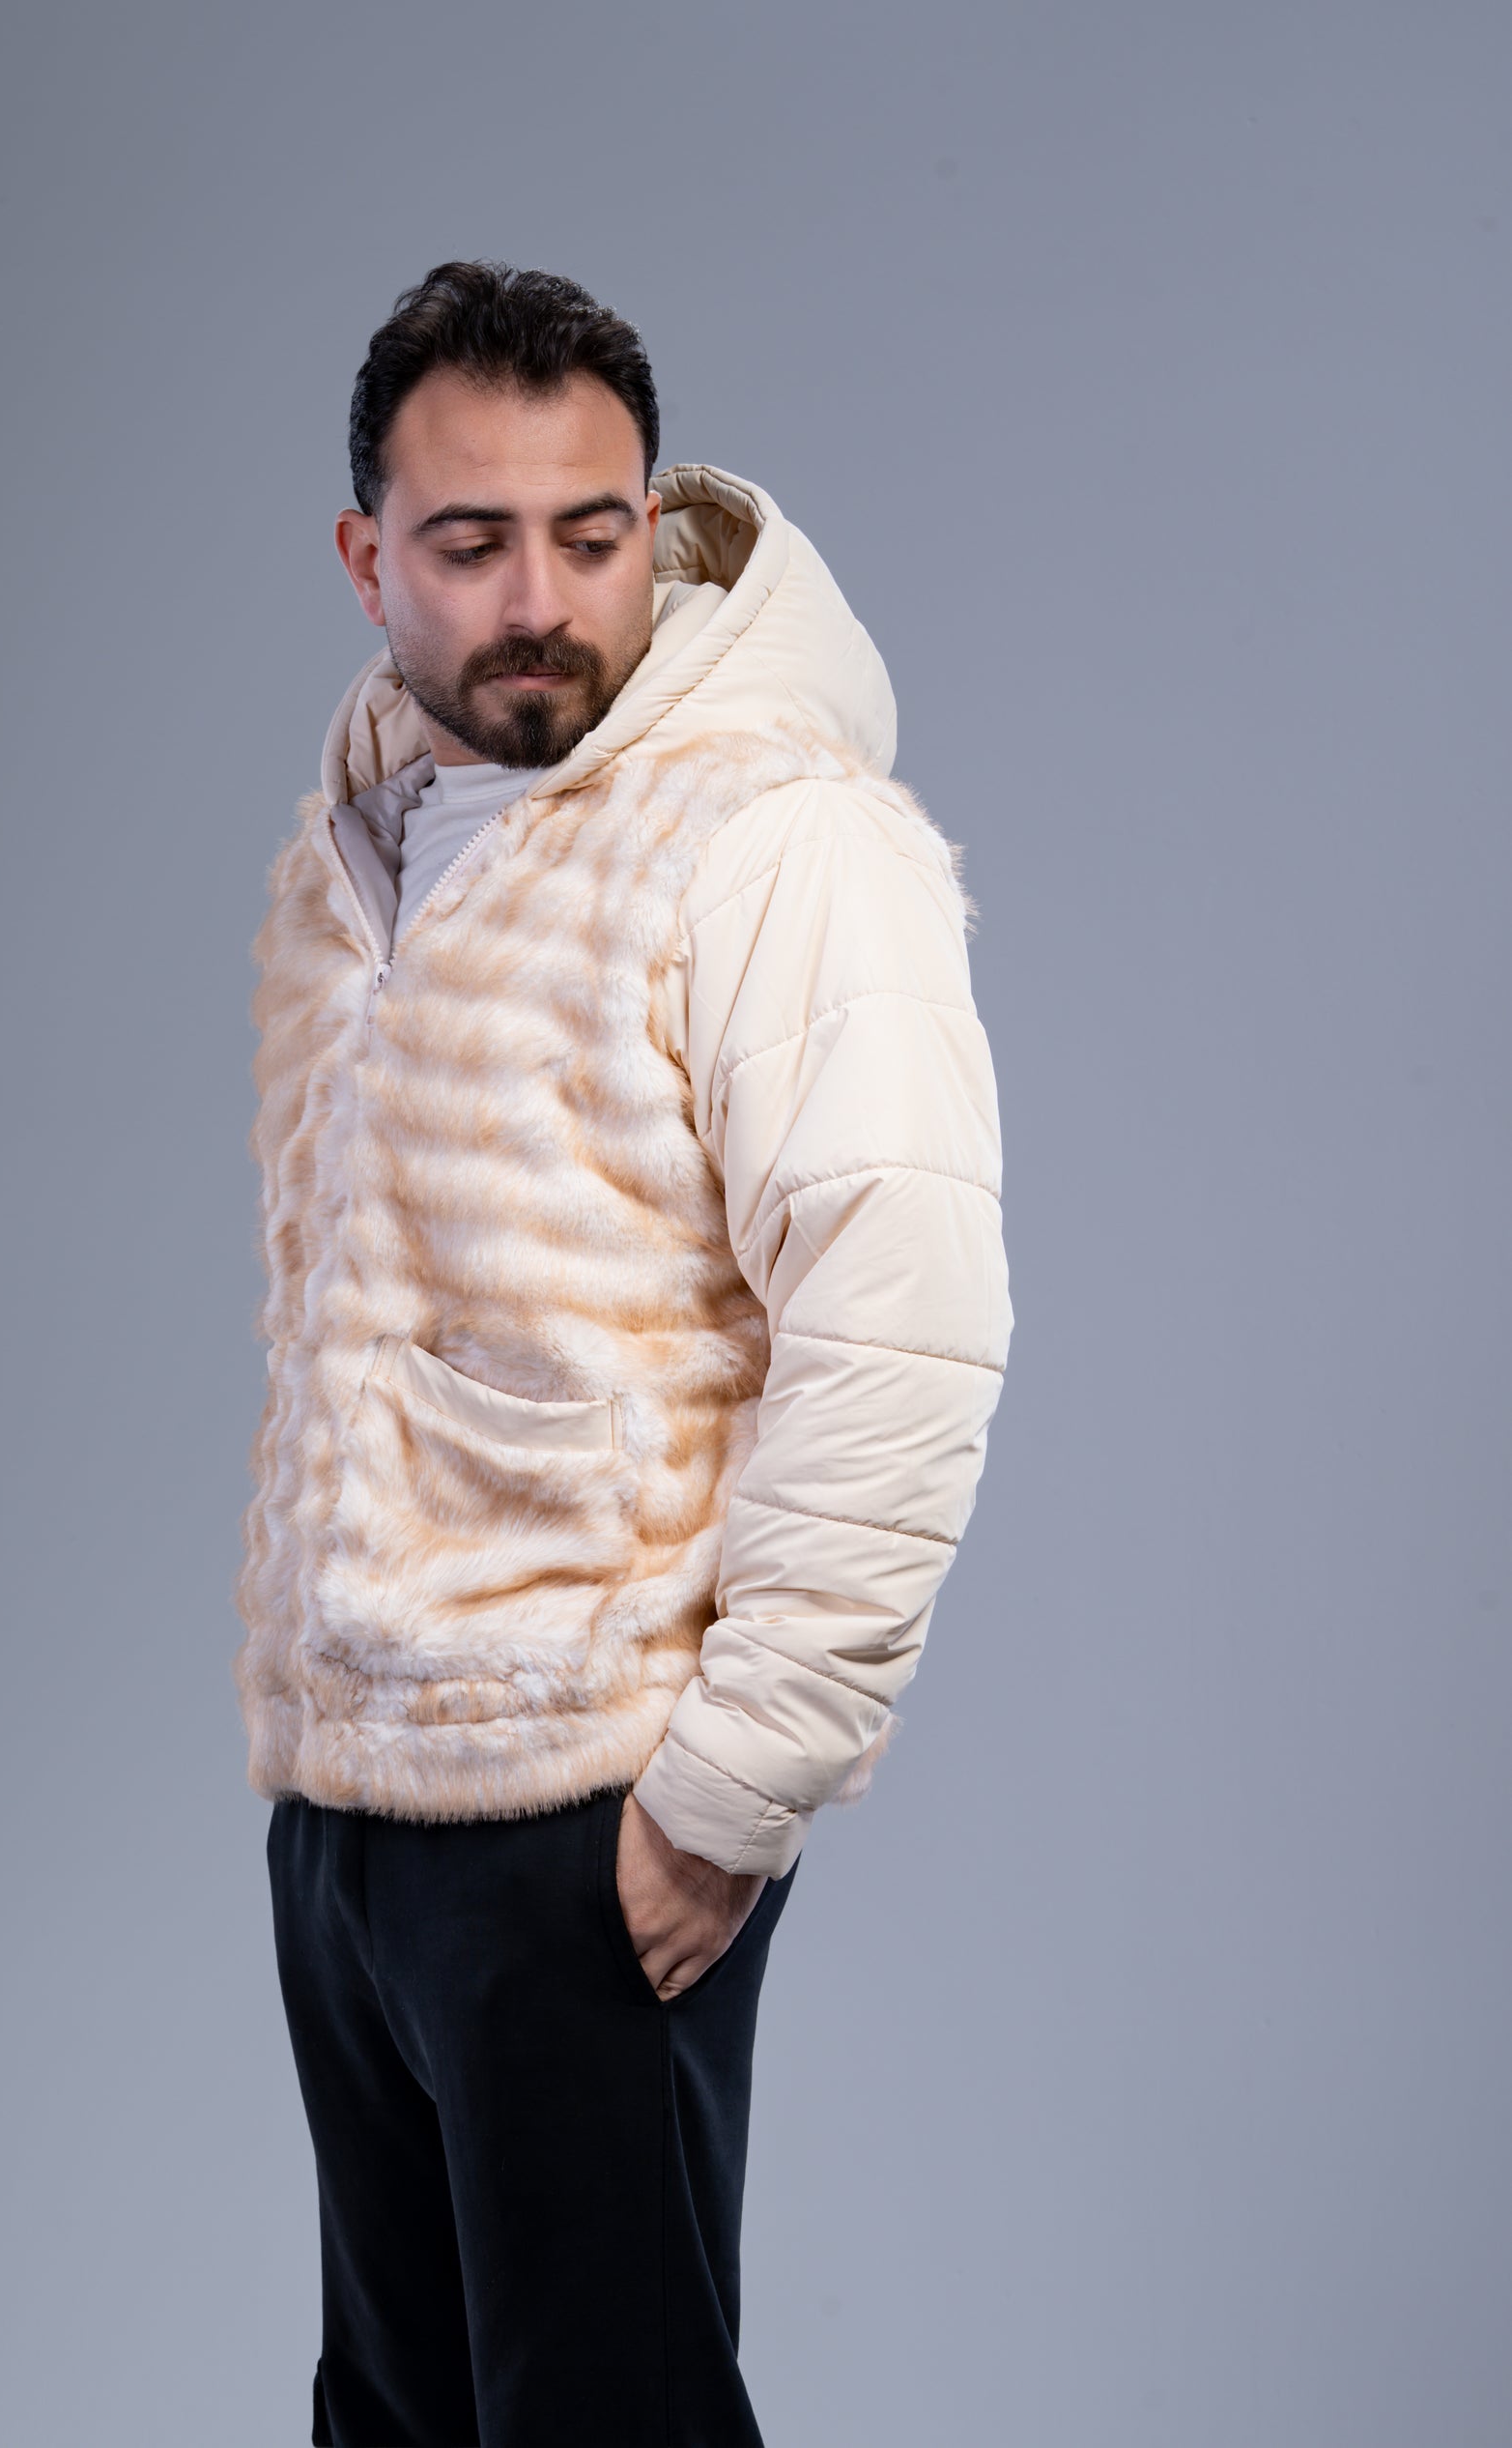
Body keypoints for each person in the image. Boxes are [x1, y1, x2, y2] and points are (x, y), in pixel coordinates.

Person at [237, 260, 1012, 2448]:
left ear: (652, 519)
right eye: (470, 543)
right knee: (391, 2415)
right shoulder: (369, 845)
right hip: (354, 1803)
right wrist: (323, 1804)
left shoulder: (767, 833)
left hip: (594, 1807)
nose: (541, 602)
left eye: (591, 535)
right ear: (366, 558)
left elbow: (901, 1314)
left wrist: (732, 1789)